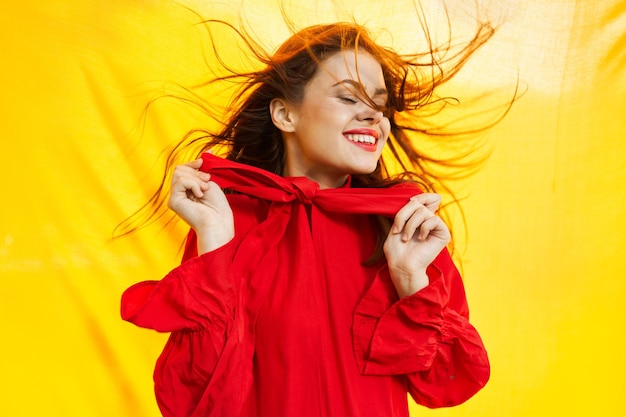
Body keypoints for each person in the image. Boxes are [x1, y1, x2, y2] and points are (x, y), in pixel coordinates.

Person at [120, 16, 494, 417]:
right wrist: (214, 241)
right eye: (349, 98)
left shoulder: (402, 230)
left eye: (379, 104)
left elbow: (447, 384)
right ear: (285, 115)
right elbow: (195, 403)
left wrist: (410, 280)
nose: (372, 115)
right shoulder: (229, 219)